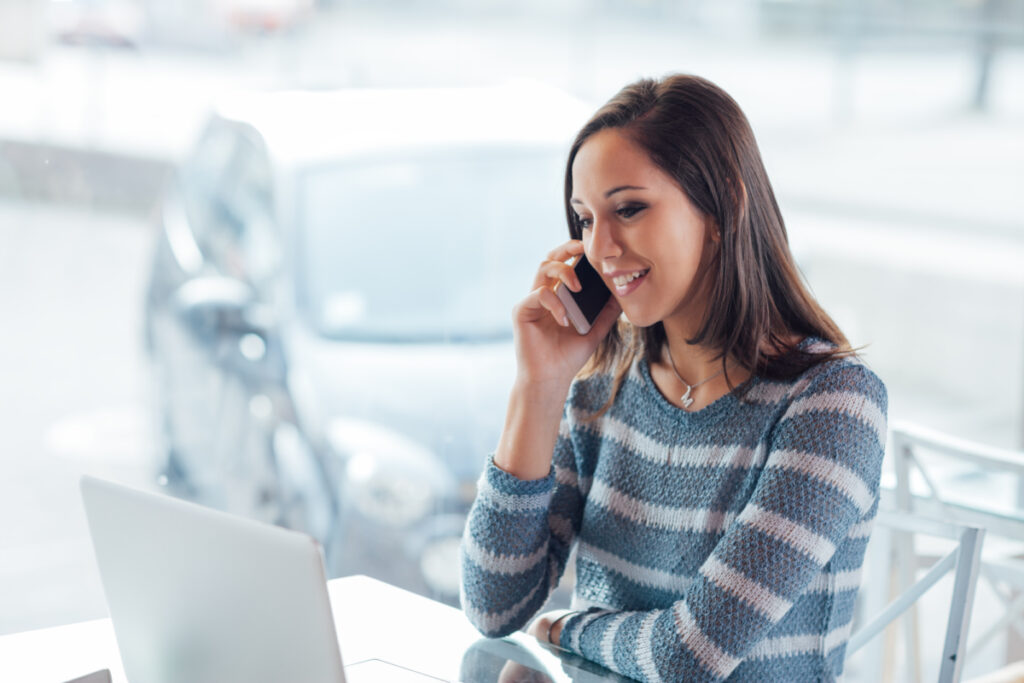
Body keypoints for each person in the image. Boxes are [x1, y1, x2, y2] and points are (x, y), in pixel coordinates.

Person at [460, 74, 887, 682]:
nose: (599, 247)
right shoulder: (600, 390)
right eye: (583, 219)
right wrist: (539, 386)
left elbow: (688, 658)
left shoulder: (834, 406)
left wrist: (567, 628)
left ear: (722, 206)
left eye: (629, 209)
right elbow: (494, 604)